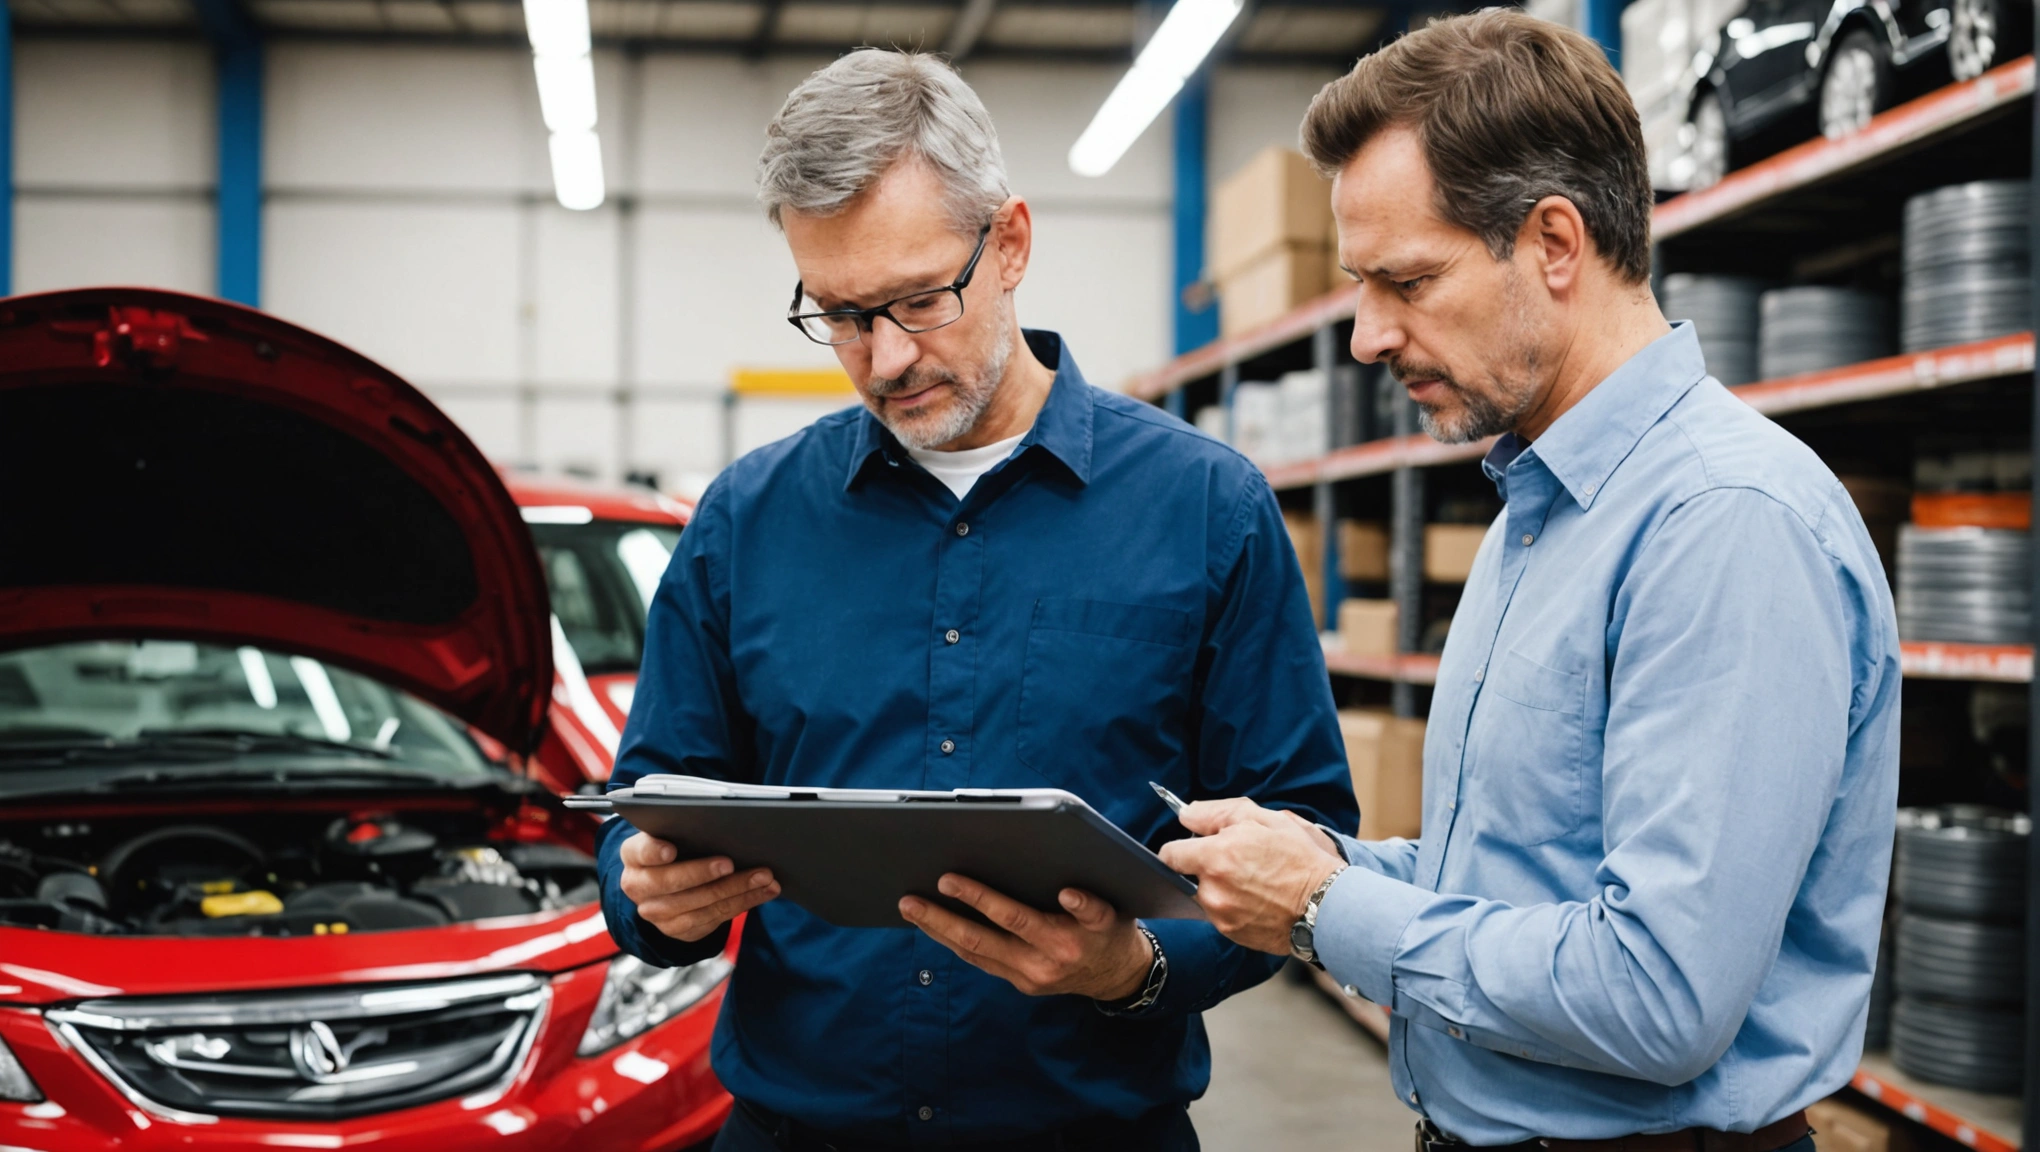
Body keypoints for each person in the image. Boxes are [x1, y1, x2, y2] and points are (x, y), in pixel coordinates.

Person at [1161, 11, 1901, 1152]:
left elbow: (1657, 994)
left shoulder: (1720, 525)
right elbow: (1523, 870)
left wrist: (1321, 909)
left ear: (1555, 241)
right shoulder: (1543, 509)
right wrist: (1318, 866)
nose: (1366, 336)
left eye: (1405, 280)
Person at [593, 48, 1357, 1152]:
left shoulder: (1206, 509)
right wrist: (647, 896)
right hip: (795, 1129)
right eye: (842, 313)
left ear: (1010, 244)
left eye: (917, 299)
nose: (885, 356)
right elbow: (642, 812)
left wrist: (1135, 969)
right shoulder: (744, 519)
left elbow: (1305, 834)